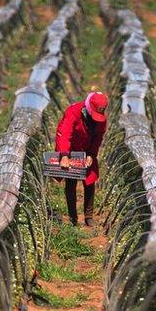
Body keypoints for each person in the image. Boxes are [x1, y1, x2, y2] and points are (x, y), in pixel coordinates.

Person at [54, 91, 108, 226]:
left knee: (90, 179)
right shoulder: (73, 112)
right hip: (70, 148)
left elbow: (97, 139)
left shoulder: (101, 121)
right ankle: (73, 217)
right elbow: (65, 134)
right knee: (71, 180)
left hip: (87, 148)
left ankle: (89, 216)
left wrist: (91, 154)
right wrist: (64, 155)